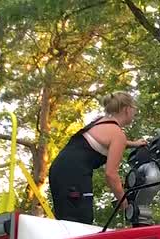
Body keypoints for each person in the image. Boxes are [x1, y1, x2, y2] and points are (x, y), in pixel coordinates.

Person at [48, 91, 148, 224]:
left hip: (59, 170)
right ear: (127, 109)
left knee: (66, 220)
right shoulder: (117, 134)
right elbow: (111, 175)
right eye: (134, 108)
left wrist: (133, 144)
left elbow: (106, 141)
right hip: (74, 175)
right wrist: (124, 202)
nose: (135, 112)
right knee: (80, 222)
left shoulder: (101, 122)